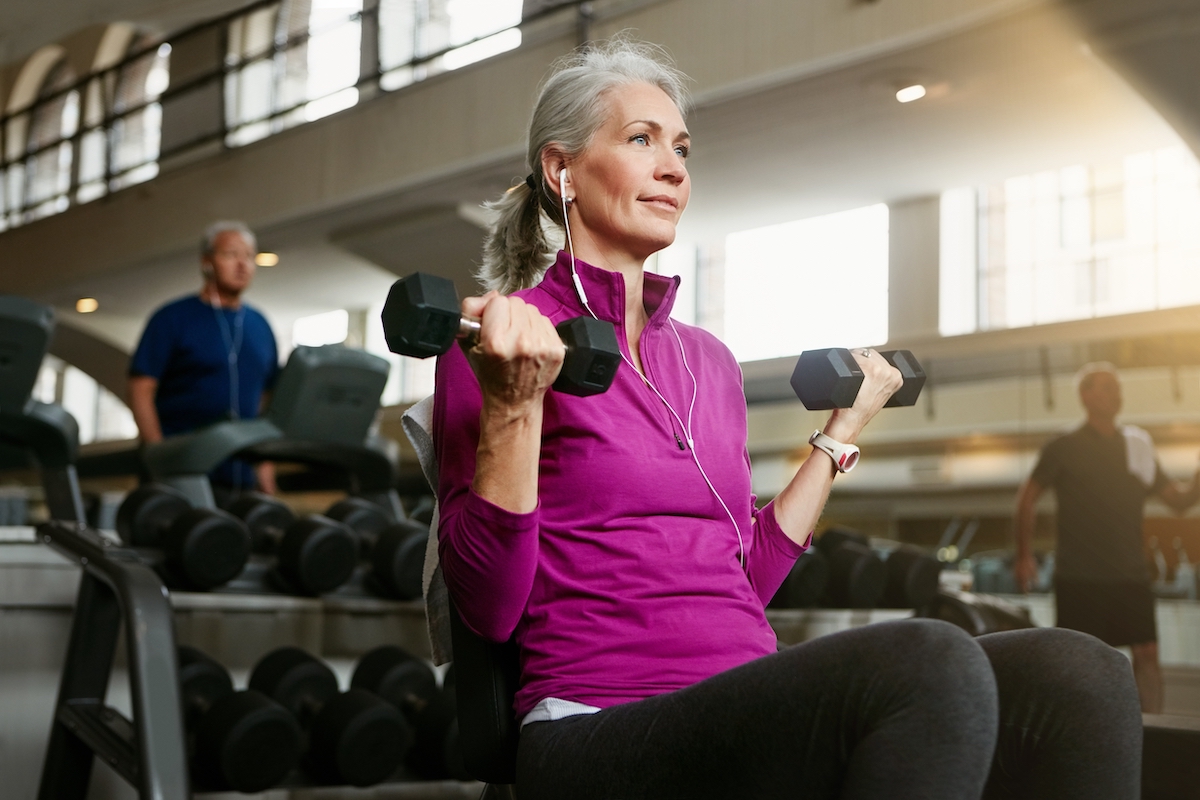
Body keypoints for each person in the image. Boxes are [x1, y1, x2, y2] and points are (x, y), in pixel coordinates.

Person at [434, 37, 1142, 799]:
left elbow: (744, 580)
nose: (674, 167)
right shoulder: (504, 340)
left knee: (1082, 673)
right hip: (597, 721)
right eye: (641, 140)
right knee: (926, 662)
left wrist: (843, 432)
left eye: (681, 147)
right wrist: (513, 403)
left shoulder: (708, 362)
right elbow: (491, 610)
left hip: (739, 698)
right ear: (560, 168)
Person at [1015, 362, 1200, 713]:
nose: (1118, 394)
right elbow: (1027, 499)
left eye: (1118, 388)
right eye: (1108, 387)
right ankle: (1077, 732)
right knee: (1080, 661)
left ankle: (1151, 737)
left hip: (1130, 575)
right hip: (1080, 577)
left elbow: (1178, 501)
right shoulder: (1064, 446)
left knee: (1147, 654)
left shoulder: (1137, 446)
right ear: (1086, 395)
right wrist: (1023, 556)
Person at [128, 221, 280, 496]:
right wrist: (158, 456)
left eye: (249, 256)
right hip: (182, 471)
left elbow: (265, 401)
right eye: (231, 254)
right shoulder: (172, 319)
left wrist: (265, 467)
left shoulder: (260, 325)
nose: (242, 264)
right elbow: (141, 389)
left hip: (242, 477)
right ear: (207, 262)